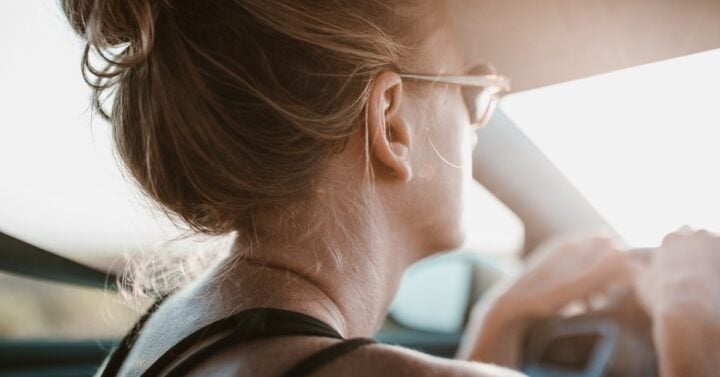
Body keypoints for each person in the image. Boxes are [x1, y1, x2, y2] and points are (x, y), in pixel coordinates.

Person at [61, 0, 720, 376]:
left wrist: (503, 315)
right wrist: (693, 324)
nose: (477, 125)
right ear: (392, 122)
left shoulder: (158, 339)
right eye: (475, 90)